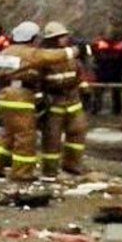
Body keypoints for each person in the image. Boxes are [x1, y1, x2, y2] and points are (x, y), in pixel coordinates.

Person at [0, 21, 81, 182]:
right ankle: (22, 173)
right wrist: (77, 50)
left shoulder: (5, 52)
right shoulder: (29, 53)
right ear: (31, 38)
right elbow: (53, 56)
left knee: (8, 132)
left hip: (5, 95)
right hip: (20, 97)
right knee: (25, 135)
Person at [39, 21, 89, 176]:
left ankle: (73, 165)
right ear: (52, 39)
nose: (64, 39)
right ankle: (50, 170)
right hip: (54, 104)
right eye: (60, 37)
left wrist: (86, 90)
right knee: (52, 138)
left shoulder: (71, 57)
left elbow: (80, 74)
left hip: (73, 102)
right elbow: (39, 81)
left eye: (65, 36)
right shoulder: (45, 58)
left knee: (78, 132)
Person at [91, 32, 122, 115]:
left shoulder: (101, 44)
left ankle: (98, 108)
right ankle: (115, 109)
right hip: (113, 70)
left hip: (106, 70)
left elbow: (95, 54)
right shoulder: (120, 45)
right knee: (112, 90)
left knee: (103, 90)